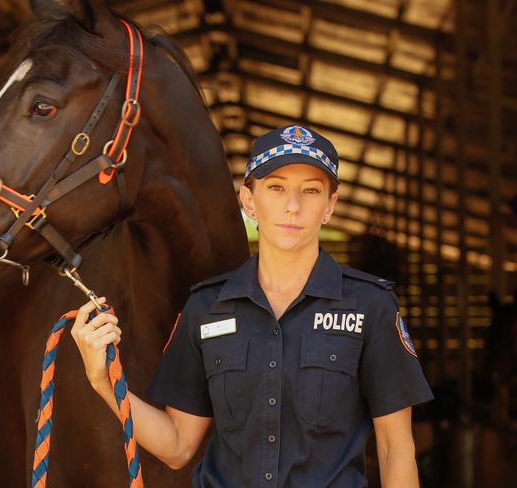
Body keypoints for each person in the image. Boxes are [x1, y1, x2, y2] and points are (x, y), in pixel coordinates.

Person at [70, 124, 434, 487]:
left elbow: (394, 448)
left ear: (330, 206)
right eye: (276, 188)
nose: (293, 206)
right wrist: (103, 380)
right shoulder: (207, 307)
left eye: (311, 191)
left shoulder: (369, 306)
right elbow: (178, 445)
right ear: (248, 201)